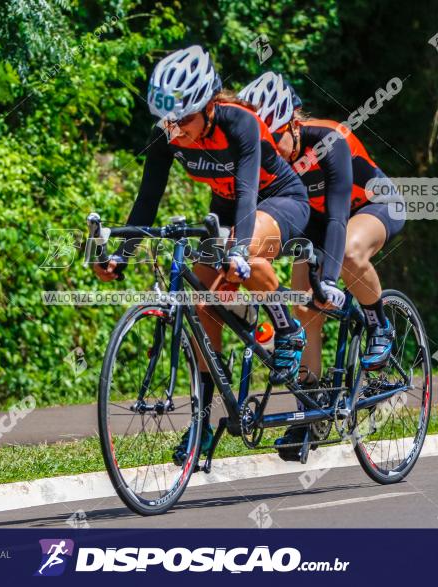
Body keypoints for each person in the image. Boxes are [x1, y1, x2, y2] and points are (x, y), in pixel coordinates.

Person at [93, 47, 310, 465]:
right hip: (229, 212)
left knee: (236, 248)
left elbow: (249, 193)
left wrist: (240, 250)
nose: (174, 130)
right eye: (167, 120)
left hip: (279, 199)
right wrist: (120, 256)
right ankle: (204, 422)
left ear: (210, 106)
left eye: (184, 119)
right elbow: (146, 202)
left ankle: (288, 329)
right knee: (201, 295)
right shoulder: (168, 133)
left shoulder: (239, 123)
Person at [238, 72, 405, 460]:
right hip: (320, 218)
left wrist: (327, 279)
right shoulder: (266, 152)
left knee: (346, 254)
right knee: (303, 306)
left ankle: (379, 323)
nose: (270, 152)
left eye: (274, 137)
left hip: (370, 205)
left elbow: (337, 215)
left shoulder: (330, 139)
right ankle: (310, 407)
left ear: (294, 125)